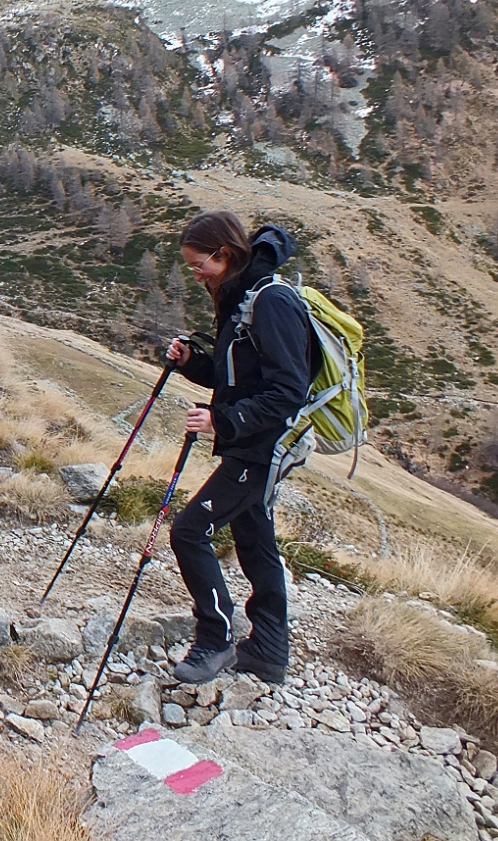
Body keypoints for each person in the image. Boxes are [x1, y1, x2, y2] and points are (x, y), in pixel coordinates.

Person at [166, 211, 313, 685]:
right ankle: (269, 650)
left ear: (224, 254)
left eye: (198, 264)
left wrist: (222, 422)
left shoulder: (270, 301)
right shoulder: (241, 298)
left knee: (189, 531)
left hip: (260, 449)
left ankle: (215, 639)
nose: (196, 274)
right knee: (254, 539)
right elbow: (234, 378)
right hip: (249, 445)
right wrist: (193, 363)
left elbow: (288, 390)